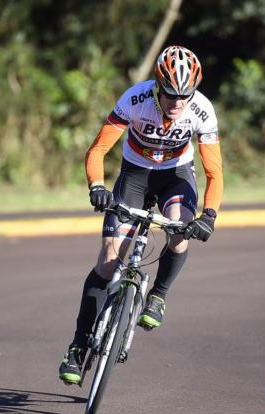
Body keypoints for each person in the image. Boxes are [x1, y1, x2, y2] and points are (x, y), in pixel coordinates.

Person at [59, 45, 223, 384]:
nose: (178, 103)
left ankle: (158, 296)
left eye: (185, 96)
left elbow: (214, 173)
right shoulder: (135, 100)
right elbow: (99, 149)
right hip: (134, 176)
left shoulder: (202, 111)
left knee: (179, 233)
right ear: (157, 88)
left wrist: (209, 215)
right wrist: (96, 186)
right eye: (171, 95)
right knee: (108, 259)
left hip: (176, 178)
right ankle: (76, 347)